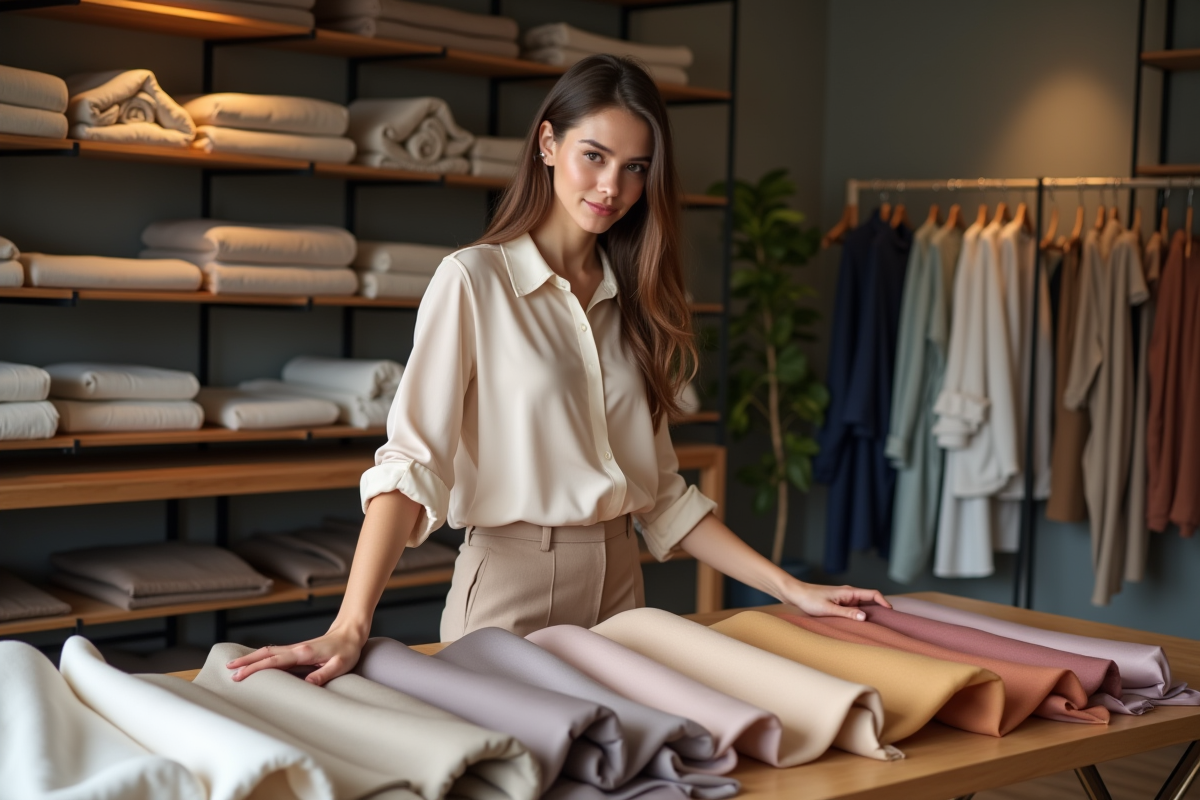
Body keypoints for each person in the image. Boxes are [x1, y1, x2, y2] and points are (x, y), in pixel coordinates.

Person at [229, 54, 888, 686]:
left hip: (623, 584)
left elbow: (660, 496)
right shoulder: (472, 281)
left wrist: (791, 588)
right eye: (593, 156)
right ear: (548, 144)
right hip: (511, 583)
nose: (613, 187)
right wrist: (350, 623)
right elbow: (412, 468)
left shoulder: (636, 299)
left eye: (635, 167)